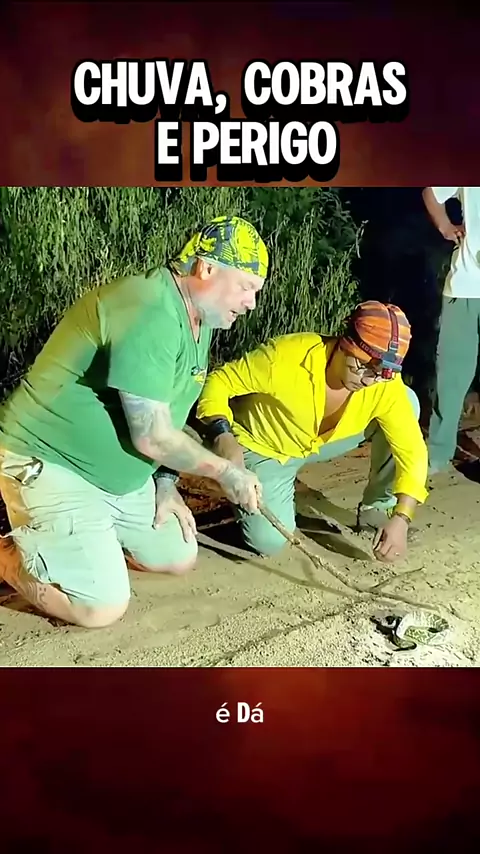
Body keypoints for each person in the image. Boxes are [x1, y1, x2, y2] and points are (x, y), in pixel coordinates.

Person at [0, 215, 268, 628]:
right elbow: (153, 436)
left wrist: (165, 481)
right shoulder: (150, 309)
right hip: (52, 462)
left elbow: (169, 412)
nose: (251, 303)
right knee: (101, 608)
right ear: (206, 269)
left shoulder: (199, 317)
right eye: (246, 287)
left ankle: (89, 543)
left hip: (117, 480)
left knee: (178, 553)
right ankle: (9, 557)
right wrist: (225, 472)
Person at [197, 301, 429, 563]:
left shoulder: (383, 383)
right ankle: (257, 490)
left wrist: (402, 516)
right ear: (346, 343)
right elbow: (218, 382)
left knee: (407, 403)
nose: (368, 379)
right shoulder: (286, 357)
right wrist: (222, 434)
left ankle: (377, 508)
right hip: (267, 448)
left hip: (323, 441)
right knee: (268, 542)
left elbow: (412, 451)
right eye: (363, 366)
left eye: (379, 374)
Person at [422, 187, 480, 473]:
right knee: (452, 375)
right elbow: (432, 192)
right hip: (465, 286)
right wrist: (445, 225)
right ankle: (439, 452)